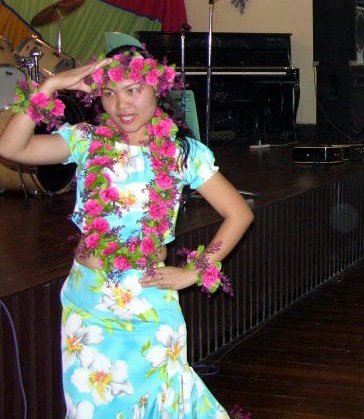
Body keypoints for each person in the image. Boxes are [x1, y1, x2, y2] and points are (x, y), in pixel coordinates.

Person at [0, 43, 254, 417]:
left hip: (148, 303)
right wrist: (49, 86)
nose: (122, 105)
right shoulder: (85, 140)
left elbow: (238, 213)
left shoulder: (184, 153)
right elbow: (11, 146)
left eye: (133, 89)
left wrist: (195, 271)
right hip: (88, 306)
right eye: (109, 93)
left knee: (163, 404)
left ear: (157, 87)